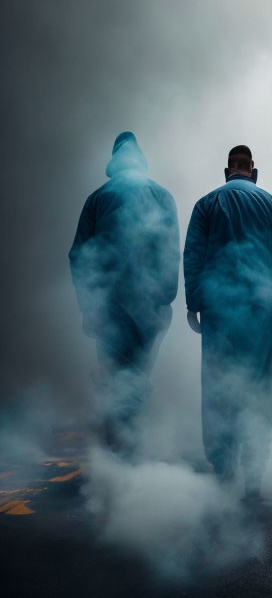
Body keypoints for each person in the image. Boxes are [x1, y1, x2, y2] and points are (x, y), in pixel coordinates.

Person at [183, 145, 272, 499]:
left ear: (226, 172)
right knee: (261, 388)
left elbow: (193, 256)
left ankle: (222, 468)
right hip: (261, 312)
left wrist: (194, 303)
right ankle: (254, 472)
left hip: (219, 312)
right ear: (253, 171)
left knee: (218, 387)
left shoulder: (206, 205)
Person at [70, 131, 180, 456]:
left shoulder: (97, 198)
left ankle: (118, 448)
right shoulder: (162, 196)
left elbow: (78, 254)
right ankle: (132, 447)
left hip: (108, 307)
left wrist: (88, 305)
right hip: (149, 308)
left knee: (115, 375)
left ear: (114, 161)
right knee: (138, 374)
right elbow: (171, 253)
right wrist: (165, 300)